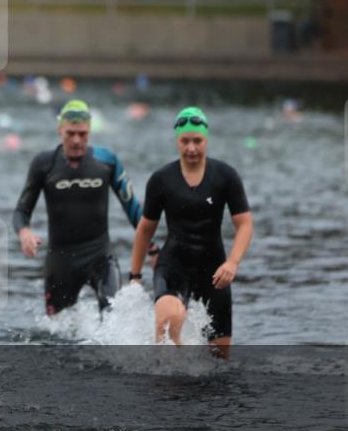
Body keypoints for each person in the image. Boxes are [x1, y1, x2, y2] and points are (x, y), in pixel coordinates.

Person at [129, 107, 253, 359]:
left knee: (219, 362)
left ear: (207, 139)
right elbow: (145, 229)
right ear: (177, 140)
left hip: (215, 274)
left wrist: (233, 262)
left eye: (197, 141)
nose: (191, 148)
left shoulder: (226, 176)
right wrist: (134, 275)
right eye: (185, 141)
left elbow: (245, 224)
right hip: (173, 268)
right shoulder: (161, 179)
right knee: (170, 322)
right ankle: (163, 382)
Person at [14, 99, 155, 316]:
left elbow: (133, 208)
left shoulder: (106, 161)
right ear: (60, 130)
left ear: (89, 130)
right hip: (61, 260)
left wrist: (152, 248)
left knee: (113, 320)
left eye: (82, 133)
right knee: (57, 332)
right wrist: (24, 232)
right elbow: (21, 211)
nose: (77, 140)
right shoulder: (44, 164)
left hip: (100, 255)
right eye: (71, 133)